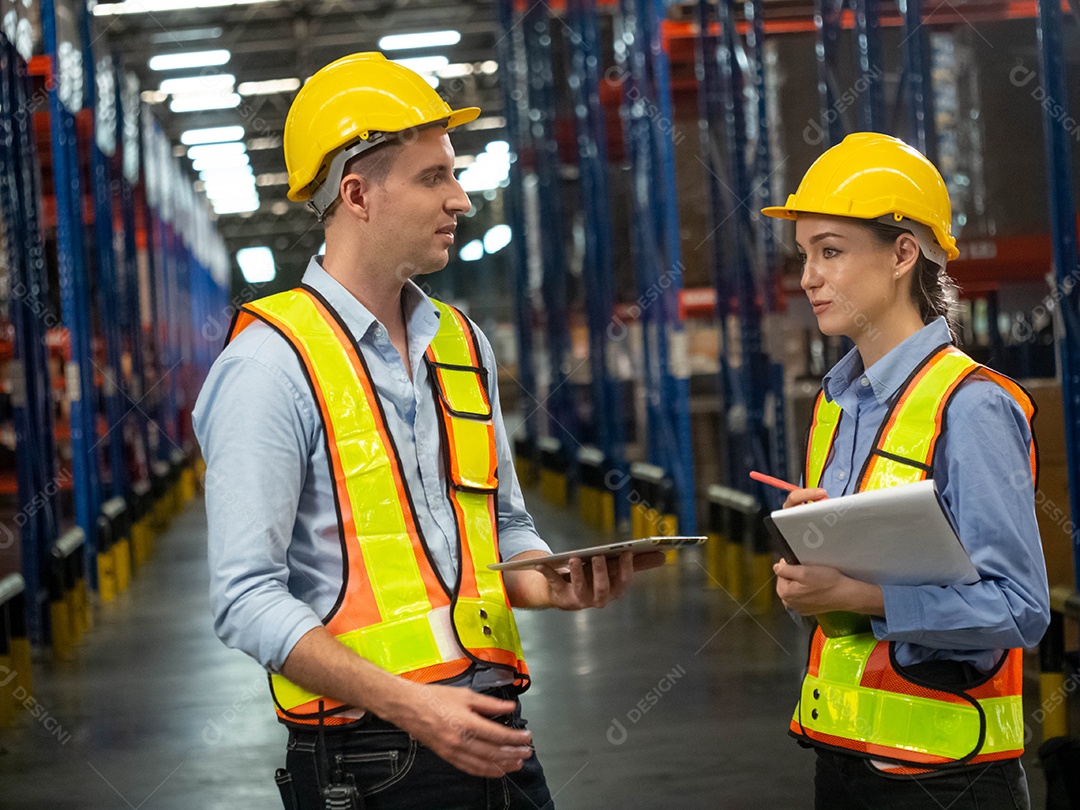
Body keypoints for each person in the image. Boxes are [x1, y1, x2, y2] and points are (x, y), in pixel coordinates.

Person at [192, 52, 661, 810]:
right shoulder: (268, 366)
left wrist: (548, 579)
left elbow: (499, 525)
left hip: (493, 730)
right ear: (357, 195)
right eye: (433, 177)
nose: (461, 200)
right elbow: (245, 597)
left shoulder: (460, 342)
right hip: (370, 759)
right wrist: (414, 707)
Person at [761, 132, 1050, 809]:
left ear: (901, 254)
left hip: (949, 780)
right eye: (804, 254)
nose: (808, 276)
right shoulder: (836, 404)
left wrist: (861, 596)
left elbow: (1022, 610)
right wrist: (812, 566)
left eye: (830, 251)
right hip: (842, 760)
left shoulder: (970, 405)